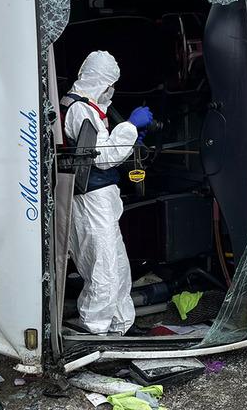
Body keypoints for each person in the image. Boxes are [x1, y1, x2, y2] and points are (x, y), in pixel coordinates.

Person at [63, 50, 153, 334]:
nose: (111, 91)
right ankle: (95, 330)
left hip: (100, 197)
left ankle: (120, 324)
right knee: (102, 269)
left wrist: (131, 136)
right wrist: (130, 127)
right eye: (110, 85)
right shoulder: (79, 110)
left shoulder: (86, 107)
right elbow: (101, 157)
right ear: (101, 81)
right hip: (91, 199)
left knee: (118, 266)